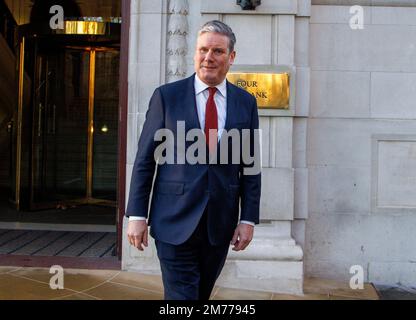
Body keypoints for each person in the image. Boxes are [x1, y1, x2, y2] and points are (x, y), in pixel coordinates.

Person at [126, 20, 261, 300]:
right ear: (194, 53)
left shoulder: (245, 102)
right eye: (202, 50)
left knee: (199, 295)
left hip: (219, 226)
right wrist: (137, 215)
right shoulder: (167, 97)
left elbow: (251, 167)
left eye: (217, 51)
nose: (208, 57)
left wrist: (248, 219)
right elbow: (145, 160)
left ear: (231, 57)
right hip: (172, 220)